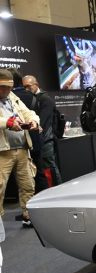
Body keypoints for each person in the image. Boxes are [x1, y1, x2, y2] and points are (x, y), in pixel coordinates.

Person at [0, 68, 40, 227]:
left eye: (9, 87)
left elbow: (28, 112)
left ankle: (27, 215)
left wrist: (34, 121)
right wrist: (8, 122)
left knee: (28, 184)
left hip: (22, 148)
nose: (7, 90)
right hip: (3, 151)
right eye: (3, 87)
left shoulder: (12, 97)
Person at [22, 75, 62, 188]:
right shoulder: (32, 99)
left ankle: (57, 190)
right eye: (24, 87)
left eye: (28, 86)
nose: (26, 89)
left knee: (49, 168)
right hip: (38, 140)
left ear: (36, 85)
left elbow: (43, 122)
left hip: (46, 140)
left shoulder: (45, 99)